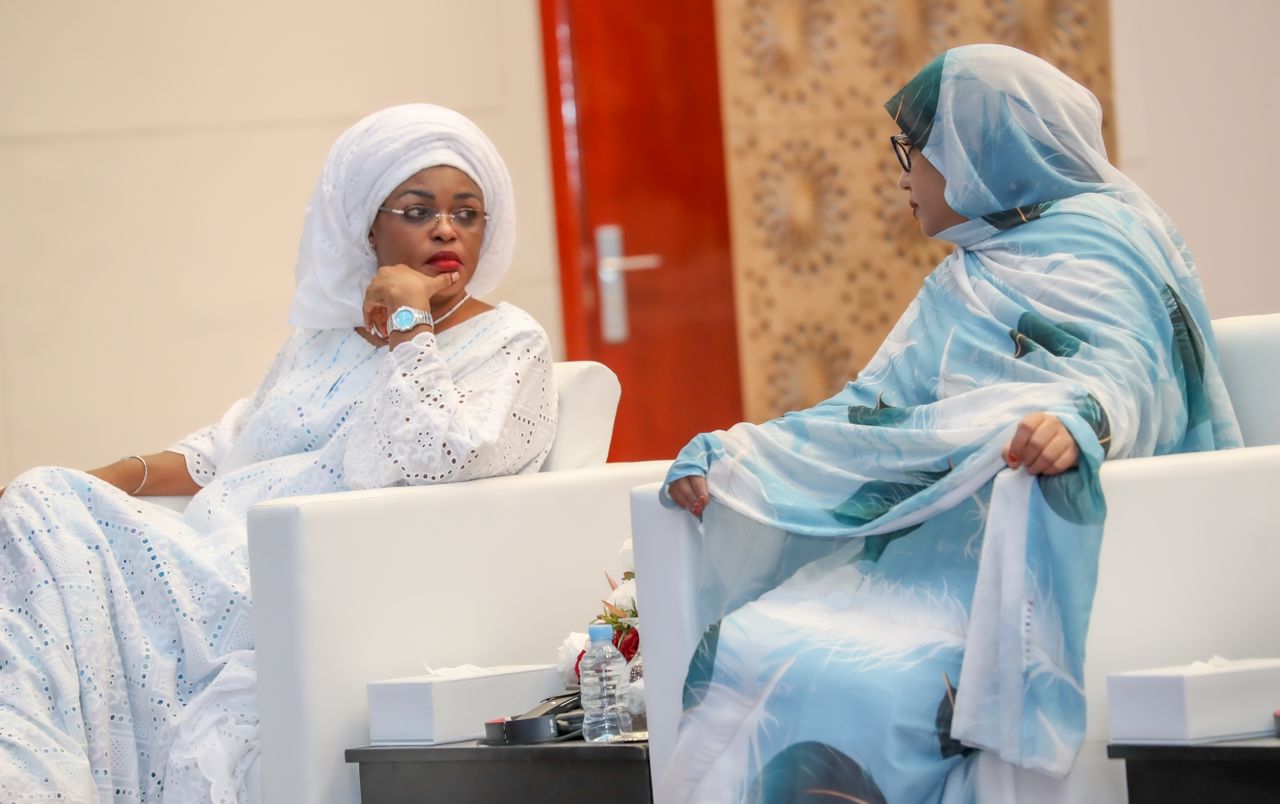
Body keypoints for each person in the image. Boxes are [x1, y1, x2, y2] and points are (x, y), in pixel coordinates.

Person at [661, 45, 1240, 803]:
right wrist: (739, 455)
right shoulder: (964, 277)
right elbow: (869, 416)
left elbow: (1132, 367)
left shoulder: (1105, 240)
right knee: (750, 645)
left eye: (918, 149)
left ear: (983, 148)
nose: (904, 173)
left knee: (858, 684)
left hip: (1006, 567)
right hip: (916, 563)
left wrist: (1079, 422)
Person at [0, 104, 556, 801]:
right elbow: (232, 447)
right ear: (367, 223)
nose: (446, 229)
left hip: (300, 582)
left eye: (466, 213)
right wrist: (112, 476)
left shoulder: (509, 342)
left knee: (40, 518)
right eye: (419, 210)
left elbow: (430, 457)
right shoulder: (322, 338)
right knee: (39, 502)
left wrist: (411, 323)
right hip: (213, 556)